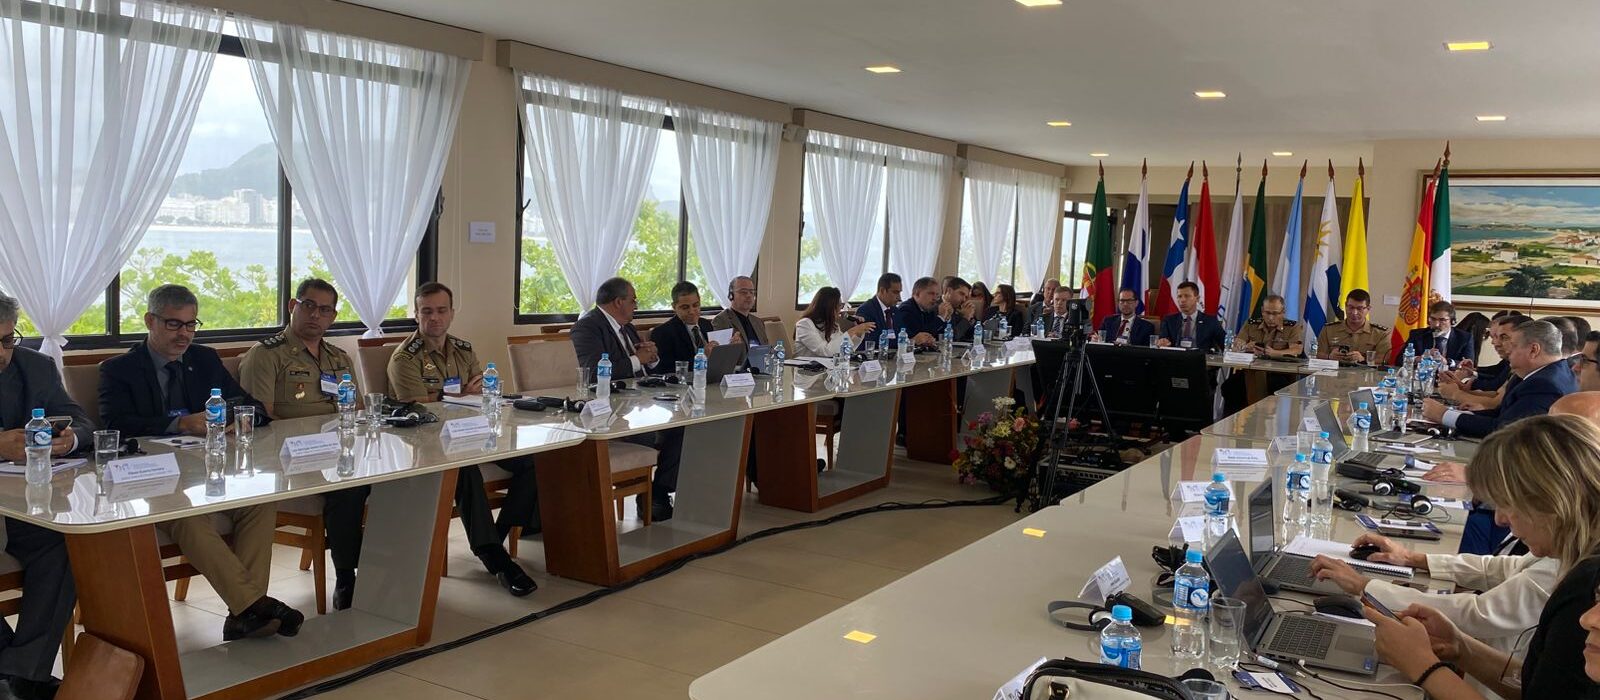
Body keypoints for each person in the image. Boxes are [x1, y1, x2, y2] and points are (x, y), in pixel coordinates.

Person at [98, 285, 304, 639]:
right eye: (174, 324)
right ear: (149, 321)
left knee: (260, 504)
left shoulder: (204, 359)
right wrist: (179, 424)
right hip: (152, 480)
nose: (184, 334)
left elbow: (252, 406)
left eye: (191, 325)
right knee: (186, 518)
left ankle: (245, 612)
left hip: (207, 471)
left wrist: (236, 420)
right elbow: (114, 424)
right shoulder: (119, 369)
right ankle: (253, 605)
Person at [1357, 415, 1600, 699]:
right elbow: (1540, 686)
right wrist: (1461, 647)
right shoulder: (1577, 562)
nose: (1499, 520)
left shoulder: (1585, 588)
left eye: (1507, 504)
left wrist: (1422, 666)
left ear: (1550, 500)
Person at [386, 282, 537, 597]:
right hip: (424, 441)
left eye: (441, 310)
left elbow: (479, 389)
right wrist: (455, 394)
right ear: (416, 314)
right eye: (427, 311)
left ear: (452, 313)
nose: (434, 318)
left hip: (468, 431)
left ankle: (498, 532)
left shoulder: (463, 349)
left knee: (531, 459)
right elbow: (416, 403)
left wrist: (451, 394)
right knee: (464, 468)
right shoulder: (405, 358)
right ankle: (493, 555)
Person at [239, 278, 368, 610]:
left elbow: (358, 411)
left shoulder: (339, 357)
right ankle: (347, 576)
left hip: (338, 450)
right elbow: (258, 421)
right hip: (287, 459)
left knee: (396, 479)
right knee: (347, 487)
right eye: (309, 306)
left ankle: (386, 568)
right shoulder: (266, 355)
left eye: (324, 310)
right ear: (293, 306)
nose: (315, 315)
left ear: (333, 317)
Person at [0, 292, 82, 700]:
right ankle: (11, 671)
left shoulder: (35, 366)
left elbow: (79, 419)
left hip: (21, 505)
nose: (2, 352)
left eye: (7, 340)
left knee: (64, 544)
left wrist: (70, 439)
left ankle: (23, 674)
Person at [571, 277, 684, 519]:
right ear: (618, 302)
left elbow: (643, 365)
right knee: (653, 434)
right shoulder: (587, 327)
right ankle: (651, 496)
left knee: (683, 425)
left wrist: (651, 357)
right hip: (611, 409)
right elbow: (594, 372)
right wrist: (636, 360)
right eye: (633, 301)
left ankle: (658, 491)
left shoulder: (628, 327)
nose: (636, 306)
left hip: (639, 401)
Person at [1423, 319, 1577, 439]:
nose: (1507, 349)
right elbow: (1503, 414)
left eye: (1513, 345)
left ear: (1533, 350)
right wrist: (1461, 413)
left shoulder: (1544, 384)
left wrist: (1444, 415)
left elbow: (1506, 429)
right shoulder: (1542, 373)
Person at [652, 282, 735, 372]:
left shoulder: (706, 324)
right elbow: (666, 369)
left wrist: (731, 348)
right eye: (685, 307)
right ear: (674, 307)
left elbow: (717, 359)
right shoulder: (662, 333)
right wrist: (702, 357)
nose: (691, 311)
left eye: (695, 305)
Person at [1440, 312, 1525, 399]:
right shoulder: (1512, 360)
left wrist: (1459, 388)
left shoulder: (1522, 367)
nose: (1494, 342)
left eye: (1503, 337)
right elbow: (1495, 373)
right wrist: (1471, 372)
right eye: (1494, 337)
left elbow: (1495, 388)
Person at [1316, 288, 1390, 364]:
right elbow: (1317, 354)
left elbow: (1384, 360)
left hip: (1364, 371)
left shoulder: (1380, 334)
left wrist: (1363, 360)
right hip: (1333, 370)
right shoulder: (1328, 330)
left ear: (1368, 309)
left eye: (1360, 308)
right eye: (1351, 307)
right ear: (1345, 306)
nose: (1354, 312)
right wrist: (1329, 357)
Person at [795, 287, 875, 357]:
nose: (840, 309)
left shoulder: (833, 325)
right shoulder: (804, 324)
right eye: (839, 305)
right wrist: (853, 331)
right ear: (828, 307)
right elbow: (824, 351)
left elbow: (846, 350)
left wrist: (858, 333)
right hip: (805, 368)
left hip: (828, 367)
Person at [1156, 282, 1224, 351]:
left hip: (1200, 357)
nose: (1182, 300)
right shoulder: (1169, 320)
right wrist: (1163, 342)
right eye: (1179, 296)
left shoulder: (1211, 321)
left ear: (1197, 298)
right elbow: (1163, 340)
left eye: (1187, 296)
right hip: (1175, 356)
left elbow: (1224, 344)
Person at [1234, 294, 1304, 358]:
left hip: (1279, 366)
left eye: (1275, 313)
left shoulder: (1292, 327)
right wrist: (1245, 348)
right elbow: (1236, 346)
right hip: (1253, 365)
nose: (1270, 318)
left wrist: (1275, 353)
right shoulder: (1251, 324)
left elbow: (1297, 350)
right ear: (1262, 311)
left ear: (1283, 312)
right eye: (1267, 313)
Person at [1404, 300, 1475, 363]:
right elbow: (1400, 359)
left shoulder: (1465, 338)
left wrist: (1447, 362)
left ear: (1452, 321)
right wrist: (1419, 358)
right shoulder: (1417, 335)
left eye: (1442, 320)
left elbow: (1468, 365)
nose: (1436, 324)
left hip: (1450, 373)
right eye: (1433, 319)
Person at [711, 276, 768, 348]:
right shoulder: (721, 321)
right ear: (731, 295)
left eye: (752, 292)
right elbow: (720, 353)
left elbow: (766, 349)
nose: (749, 295)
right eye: (743, 292)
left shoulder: (758, 322)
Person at [893, 276, 945, 346]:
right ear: (917, 294)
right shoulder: (906, 310)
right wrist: (941, 317)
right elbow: (921, 336)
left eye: (937, 295)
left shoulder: (930, 309)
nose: (935, 298)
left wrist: (946, 316)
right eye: (931, 294)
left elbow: (940, 335)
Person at [938, 276, 975, 342]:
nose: (964, 299)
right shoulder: (936, 307)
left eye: (966, 297)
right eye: (961, 294)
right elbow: (953, 337)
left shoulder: (958, 310)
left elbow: (972, 335)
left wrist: (970, 317)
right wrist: (966, 317)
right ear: (949, 291)